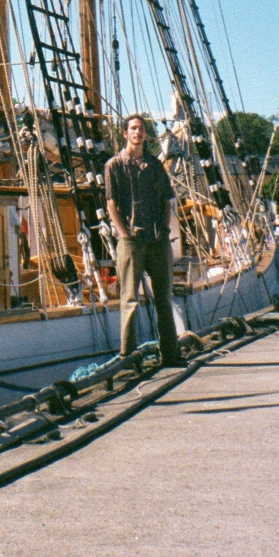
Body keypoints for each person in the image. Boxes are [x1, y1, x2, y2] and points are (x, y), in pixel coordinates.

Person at [105, 114, 185, 368]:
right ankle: (128, 358)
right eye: (133, 128)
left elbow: (166, 201)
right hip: (131, 241)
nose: (137, 133)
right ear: (125, 133)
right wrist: (124, 234)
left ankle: (170, 355)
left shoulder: (155, 166)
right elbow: (111, 204)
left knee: (163, 296)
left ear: (146, 135)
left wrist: (163, 227)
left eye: (141, 129)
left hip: (156, 239)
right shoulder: (114, 165)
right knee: (129, 299)